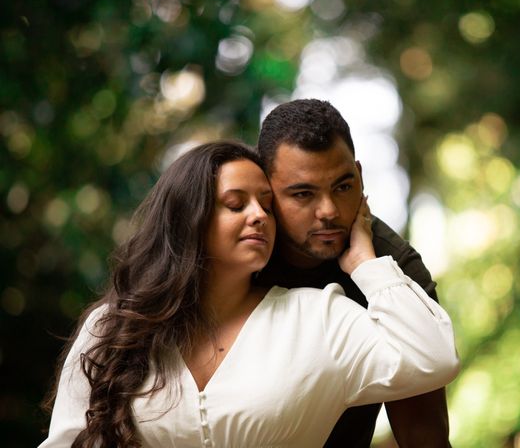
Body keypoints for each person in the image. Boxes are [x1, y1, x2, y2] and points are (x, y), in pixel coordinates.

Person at [39, 140, 459, 447]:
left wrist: (367, 263)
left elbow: (433, 356)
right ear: (191, 218)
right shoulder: (116, 327)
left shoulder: (320, 318)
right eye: (236, 204)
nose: (259, 216)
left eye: (266, 205)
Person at [257, 98, 453, 447]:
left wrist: (367, 268)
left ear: (360, 176)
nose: (329, 211)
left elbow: (425, 437)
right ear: (266, 192)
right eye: (303, 194)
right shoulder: (234, 254)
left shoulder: (394, 268)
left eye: (343, 187)